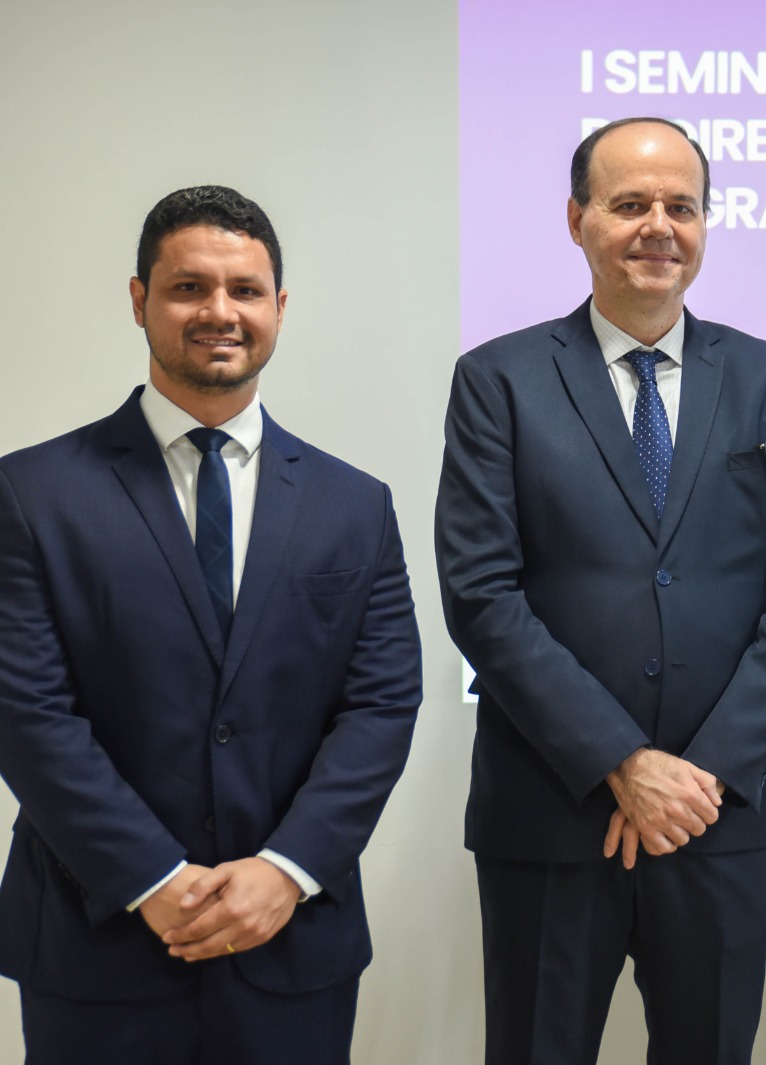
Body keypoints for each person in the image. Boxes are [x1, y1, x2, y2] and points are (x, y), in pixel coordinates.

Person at [435, 117, 766, 1065]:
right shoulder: (498, 380)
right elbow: (481, 594)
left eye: (681, 207)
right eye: (630, 204)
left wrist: (700, 776)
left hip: (718, 813)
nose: (659, 226)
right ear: (577, 219)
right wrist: (621, 759)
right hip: (552, 807)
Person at [0, 185, 423, 1064]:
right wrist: (152, 878)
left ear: (279, 307)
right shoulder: (32, 493)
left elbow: (381, 705)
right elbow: (26, 712)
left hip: (292, 941)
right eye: (189, 287)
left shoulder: (356, 506)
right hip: (97, 943)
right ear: (139, 299)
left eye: (245, 290)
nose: (219, 312)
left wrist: (286, 870)